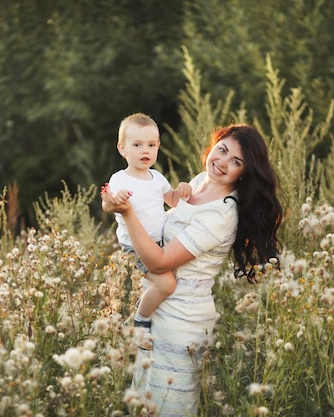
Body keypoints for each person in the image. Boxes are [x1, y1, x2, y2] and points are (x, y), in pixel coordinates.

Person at [101, 123, 283, 416]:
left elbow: (159, 262)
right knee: (143, 403)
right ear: (213, 146)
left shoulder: (221, 214)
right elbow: (153, 207)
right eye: (221, 150)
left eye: (236, 162)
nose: (222, 163)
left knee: (168, 406)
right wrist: (114, 206)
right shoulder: (200, 182)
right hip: (159, 308)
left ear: (245, 172)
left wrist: (127, 214)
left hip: (182, 322)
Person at [103, 113, 192, 346]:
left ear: (158, 147)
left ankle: (168, 321)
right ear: (122, 149)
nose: (145, 150)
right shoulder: (120, 179)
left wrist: (182, 190)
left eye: (151, 145)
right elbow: (108, 204)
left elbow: (173, 201)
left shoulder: (157, 177)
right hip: (135, 247)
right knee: (167, 284)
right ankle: (140, 320)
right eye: (137, 145)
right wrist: (115, 200)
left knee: (183, 277)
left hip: (160, 242)